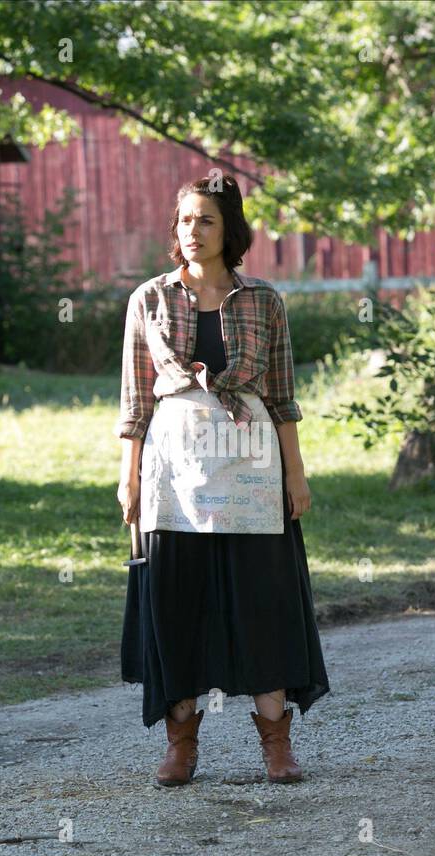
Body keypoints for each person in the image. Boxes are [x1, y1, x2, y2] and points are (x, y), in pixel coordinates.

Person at [117, 174, 330, 787]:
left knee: (260, 598)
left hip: (251, 468)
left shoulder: (264, 300)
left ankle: (275, 741)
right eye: (184, 220)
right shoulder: (148, 299)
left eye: (206, 221)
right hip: (174, 472)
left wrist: (296, 473)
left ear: (228, 231)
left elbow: (284, 397)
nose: (192, 231)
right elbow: (135, 399)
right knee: (176, 599)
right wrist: (127, 477)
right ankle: (181, 743)